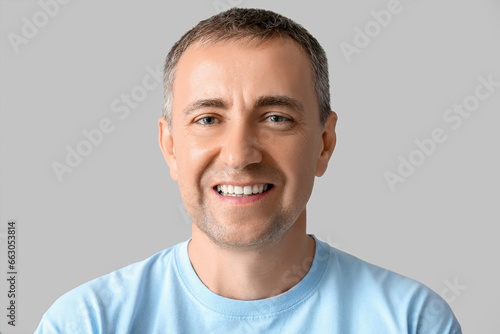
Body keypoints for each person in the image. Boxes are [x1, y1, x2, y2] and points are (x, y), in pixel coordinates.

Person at [35, 8, 462, 333]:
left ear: (324, 144)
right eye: (207, 119)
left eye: (276, 117)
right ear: (169, 146)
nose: (239, 156)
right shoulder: (86, 323)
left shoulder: (411, 320)